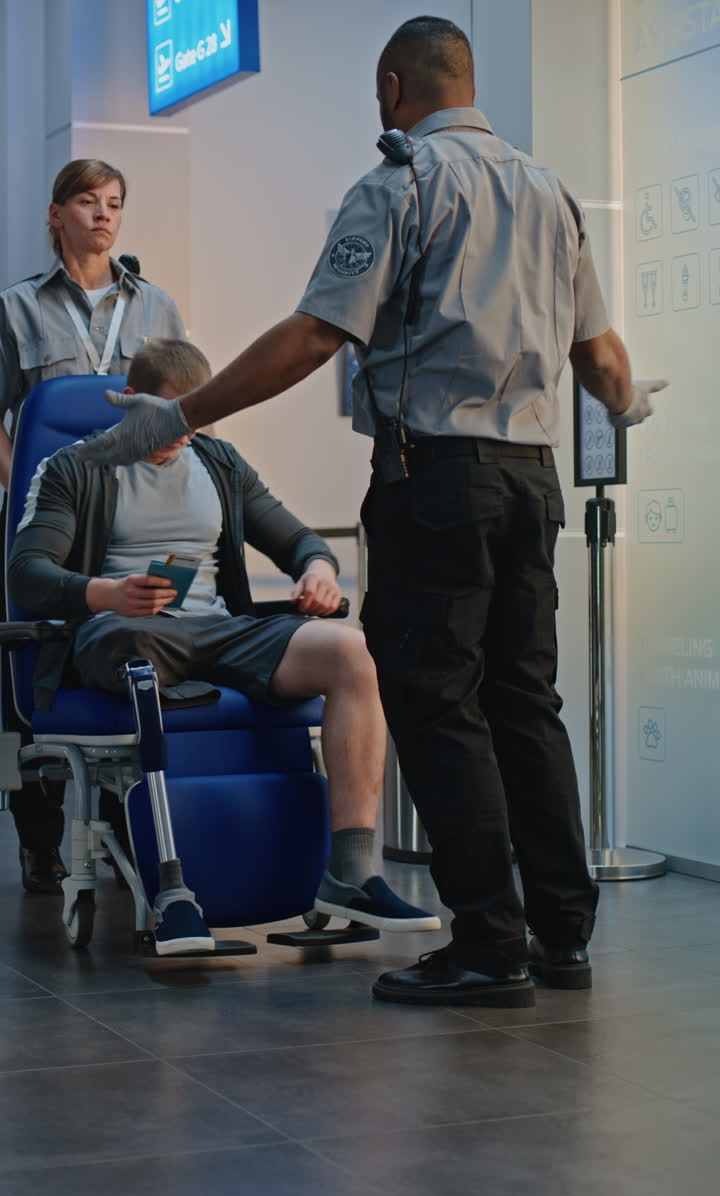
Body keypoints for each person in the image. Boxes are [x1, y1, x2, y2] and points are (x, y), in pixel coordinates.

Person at [77, 18, 667, 1003]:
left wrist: (181, 413)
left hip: (434, 479)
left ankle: (488, 943)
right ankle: (563, 935)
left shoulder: (400, 184)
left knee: (438, 703)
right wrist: (627, 403)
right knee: (526, 702)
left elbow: (314, 337)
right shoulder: (550, 193)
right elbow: (603, 360)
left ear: (393, 88)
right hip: (534, 480)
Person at [8, 338, 441, 953]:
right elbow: (27, 572)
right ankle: (174, 887)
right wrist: (106, 593)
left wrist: (315, 569)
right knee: (137, 646)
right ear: (130, 403)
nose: (183, 433)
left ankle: (352, 872)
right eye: (169, 417)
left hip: (217, 631)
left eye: (196, 417)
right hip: (124, 629)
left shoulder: (218, 463)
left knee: (353, 653)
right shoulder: (75, 468)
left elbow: (297, 540)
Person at [0, 158, 185, 894]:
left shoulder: (158, 308)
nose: (103, 215)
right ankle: (41, 845)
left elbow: (178, 405)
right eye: (87, 201)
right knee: (36, 673)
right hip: (45, 521)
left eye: (114, 203)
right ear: (56, 214)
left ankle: (130, 838)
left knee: (122, 663)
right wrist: (24, 493)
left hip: (134, 518)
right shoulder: (15, 309)